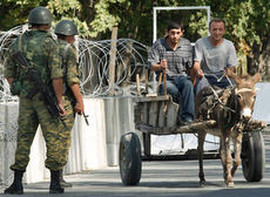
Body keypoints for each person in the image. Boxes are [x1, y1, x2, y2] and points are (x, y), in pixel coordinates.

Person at [4, 7, 71, 194]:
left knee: (23, 140)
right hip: (45, 100)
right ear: (47, 23)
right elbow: (56, 76)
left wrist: (17, 87)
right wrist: (59, 100)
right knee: (54, 139)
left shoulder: (17, 43)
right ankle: (55, 183)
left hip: (26, 100)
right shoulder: (50, 44)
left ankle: (17, 182)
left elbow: (8, 71)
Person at [54, 19, 84, 188]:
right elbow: (72, 80)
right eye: (73, 36)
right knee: (63, 139)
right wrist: (80, 101)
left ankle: (56, 177)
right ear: (69, 36)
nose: (74, 39)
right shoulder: (69, 50)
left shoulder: (49, 47)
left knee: (53, 138)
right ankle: (57, 177)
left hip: (47, 98)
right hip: (64, 98)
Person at [148, 21, 194, 125]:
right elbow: (151, 66)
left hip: (182, 77)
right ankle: (177, 115)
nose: (175, 36)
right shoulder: (159, 44)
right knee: (172, 90)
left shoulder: (186, 45)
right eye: (172, 33)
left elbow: (190, 67)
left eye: (178, 33)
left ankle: (188, 117)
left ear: (182, 33)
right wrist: (160, 66)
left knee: (188, 85)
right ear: (167, 32)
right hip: (165, 79)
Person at [191, 18, 238, 95]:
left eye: (220, 29)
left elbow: (232, 66)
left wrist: (229, 71)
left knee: (235, 90)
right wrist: (198, 70)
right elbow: (196, 63)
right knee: (200, 89)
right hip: (206, 76)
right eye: (214, 29)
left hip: (223, 77)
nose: (217, 32)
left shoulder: (229, 45)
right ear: (209, 30)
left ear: (224, 31)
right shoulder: (200, 43)